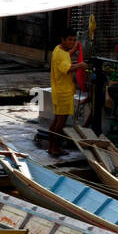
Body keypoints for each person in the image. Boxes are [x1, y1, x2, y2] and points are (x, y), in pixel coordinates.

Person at [48, 28, 79, 157]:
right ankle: (55, 148)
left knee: (56, 120)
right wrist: (81, 65)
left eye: (74, 40)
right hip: (63, 92)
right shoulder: (61, 53)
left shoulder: (59, 49)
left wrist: (74, 50)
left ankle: (51, 147)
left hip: (58, 90)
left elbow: (65, 58)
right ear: (63, 40)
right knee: (60, 122)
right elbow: (67, 68)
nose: (72, 42)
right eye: (70, 40)